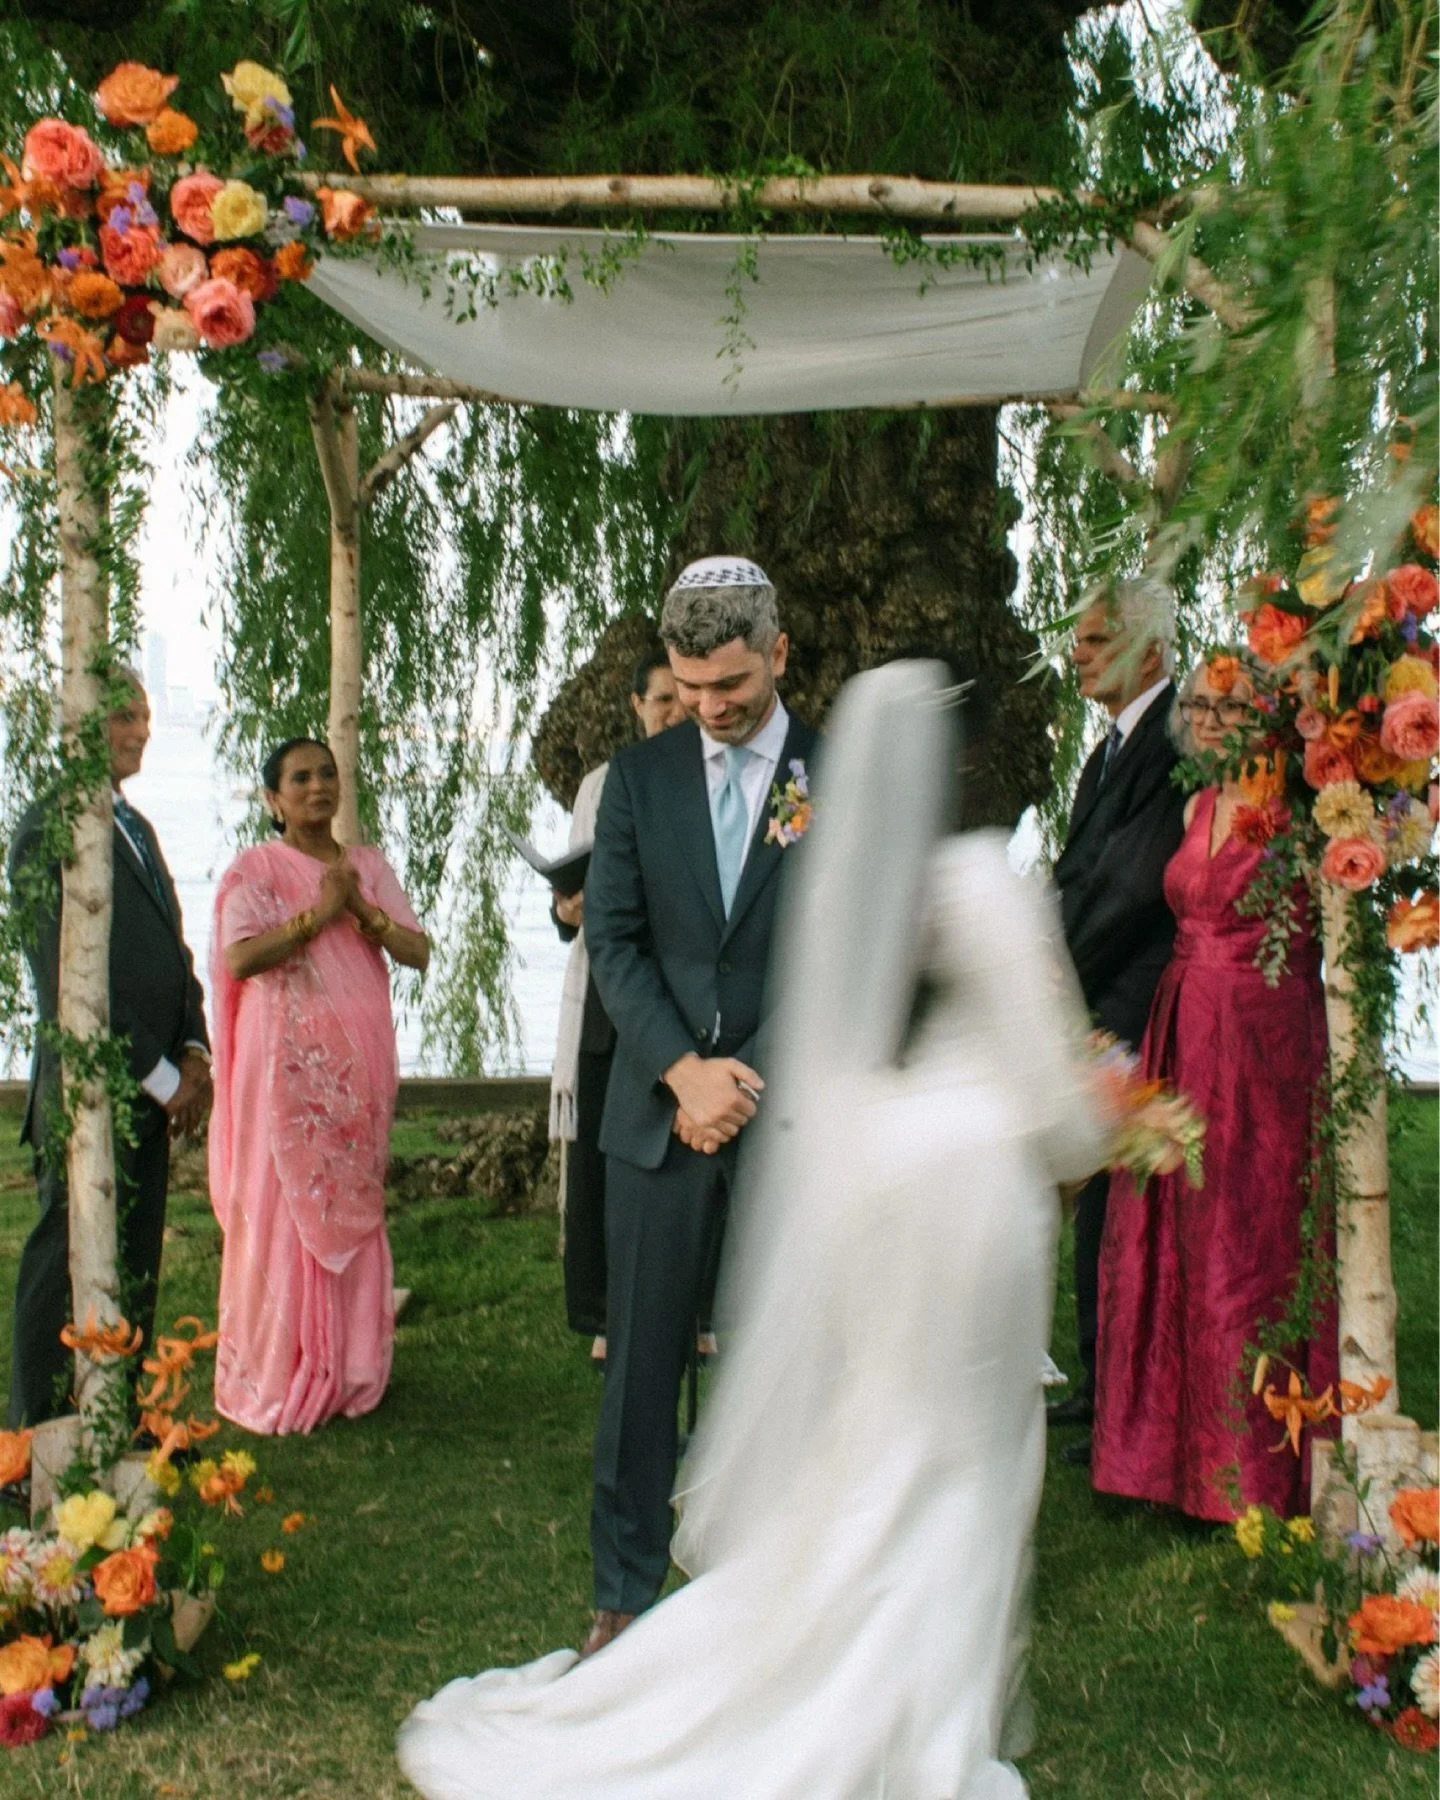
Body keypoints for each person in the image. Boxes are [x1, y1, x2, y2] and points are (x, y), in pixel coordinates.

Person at [397, 661, 1115, 1800]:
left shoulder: (858, 871)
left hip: (882, 1175)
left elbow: (822, 1007)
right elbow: (1063, 1112)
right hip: (966, 1196)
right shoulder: (977, 883)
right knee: (950, 1461)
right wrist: (1116, 1105)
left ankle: (848, 1670)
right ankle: (892, 1703)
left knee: (894, 1449)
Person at [578, 556, 820, 1657]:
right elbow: (615, 945)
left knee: (791, 1349)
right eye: (690, 687)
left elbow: (844, 946)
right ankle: (624, 1586)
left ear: (778, 652)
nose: (711, 709)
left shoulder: (837, 773)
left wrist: (747, 1079)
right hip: (658, 1112)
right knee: (639, 1366)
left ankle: (780, 1579)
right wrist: (686, 1074)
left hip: (791, 1113)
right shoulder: (639, 776)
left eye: (731, 685)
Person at [1092, 656, 1337, 1521]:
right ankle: (1163, 1459)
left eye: (1225, 705)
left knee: (1250, 1234)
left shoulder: (1300, 813)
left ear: (1266, 717)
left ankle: (1251, 1471)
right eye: (1196, 703)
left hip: (1266, 1043)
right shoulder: (1197, 802)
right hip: (1181, 1026)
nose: (1204, 717)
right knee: (1175, 1227)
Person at [7, 670, 211, 1431]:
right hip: (90, 1096)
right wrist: (160, 1078)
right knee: (67, 1257)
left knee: (135, 1257)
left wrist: (194, 1050)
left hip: (156, 1092)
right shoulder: (49, 829)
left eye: (147, 713)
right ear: (82, 727)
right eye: (126, 715)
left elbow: (174, 949)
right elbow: (70, 982)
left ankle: (116, 1419)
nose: (143, 730)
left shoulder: (137, 828)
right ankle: (34, 1436)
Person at [207, 737, 429, 1435]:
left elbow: (417, 951)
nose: (317, 787)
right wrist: (316, 916)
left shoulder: (367, 866)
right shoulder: (258, 870)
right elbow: (240, 956)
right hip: (285, 1078)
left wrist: (359, 910)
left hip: (358, 1071)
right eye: (299, 778)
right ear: (272, 800)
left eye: (327, 774)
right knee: (284, 1208)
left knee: (353, 1199)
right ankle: (281, 1369)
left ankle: (355, 1366)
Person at [1050, 578, 1187, 1462]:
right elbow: (1080, 874)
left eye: (1097, 640)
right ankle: (1102, 1383)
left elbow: (1131, 889)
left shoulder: (1173, 740)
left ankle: (1117, 1395)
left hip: (1131, 1000)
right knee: (1094, 1196)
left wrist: (1057, 978)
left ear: (1150, 650)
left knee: (1114, 1202)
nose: (1077, 654)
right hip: (1096, 996)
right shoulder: (1109, 749)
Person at [550, 646, 687, 1368]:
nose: (671, 711)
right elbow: (574, 897)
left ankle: (694, 1307)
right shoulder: (603, 785)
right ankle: (605, 1311)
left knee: (685, 1152)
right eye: (658, 700)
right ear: (636, 707)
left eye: (680, 696)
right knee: (604, 1155)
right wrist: (569, 905)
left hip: (688, 989)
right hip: (611, 990)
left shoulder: (708, 775)